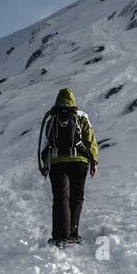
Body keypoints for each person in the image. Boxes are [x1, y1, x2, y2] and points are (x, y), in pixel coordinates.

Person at [38, 87, 98, 246]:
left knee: (60, 198)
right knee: (76, 197)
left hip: (57, 162)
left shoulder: (51, 117)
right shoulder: (81, 116)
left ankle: (60, 236)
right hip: (79, 162)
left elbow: (43, 143)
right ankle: (73, 233)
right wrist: (94, 161)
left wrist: (44, 165)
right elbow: (90, 140)